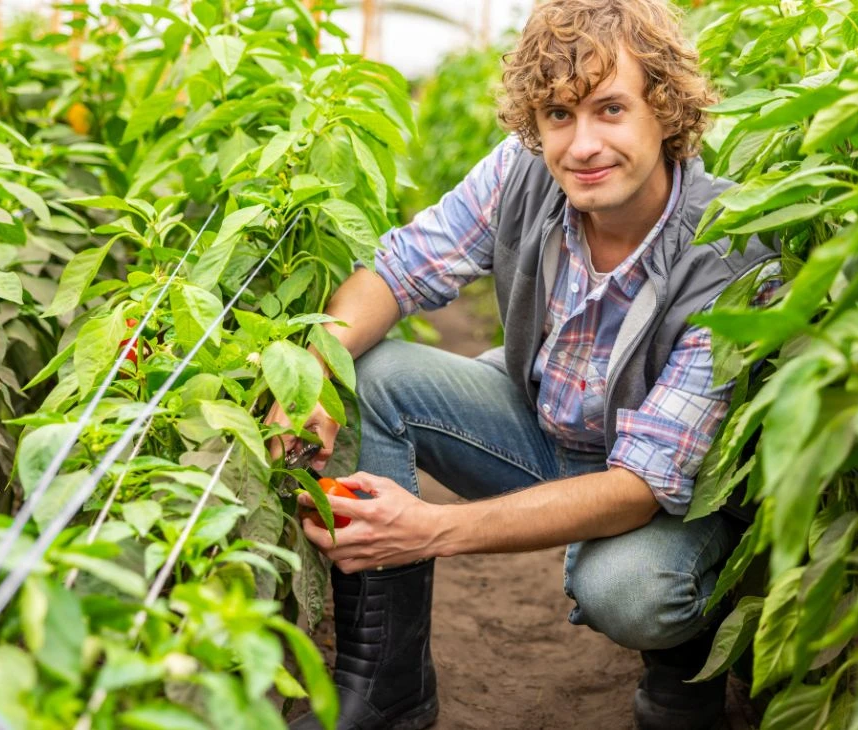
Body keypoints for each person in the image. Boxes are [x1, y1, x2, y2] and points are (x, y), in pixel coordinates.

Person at [267, 0, 779, 727]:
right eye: (559, 116)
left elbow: (641, 484)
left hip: (667, 501)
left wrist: (431, 528)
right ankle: (386, 686)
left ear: (665, 110)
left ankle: (684, 665)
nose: (582, 144)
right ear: (533, 127)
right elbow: (398, 270)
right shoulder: (524, 174)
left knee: (632, 590)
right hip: (549, 436)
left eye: (610, 109)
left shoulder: (731, 252)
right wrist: (310, 366)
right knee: (371, 375)